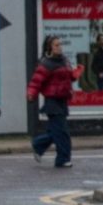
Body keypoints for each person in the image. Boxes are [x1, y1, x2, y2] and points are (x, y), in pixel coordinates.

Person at [27, 34, 81, 169]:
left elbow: (70, 77)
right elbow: (36, 81)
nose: (59, 47)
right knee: (62, 132)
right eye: (56, 45)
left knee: (55, 132)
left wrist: (76, 73)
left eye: (60, 44)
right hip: (52, 101)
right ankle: (63, 159)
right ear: (49, 48)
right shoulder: (46, 63)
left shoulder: (64, 60)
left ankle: (38, 145)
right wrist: (31, 94)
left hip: (63, 100)